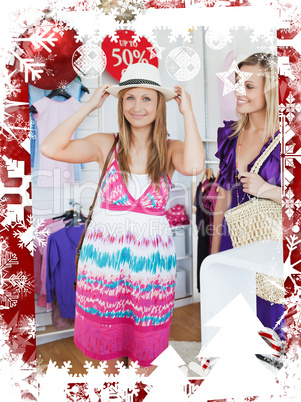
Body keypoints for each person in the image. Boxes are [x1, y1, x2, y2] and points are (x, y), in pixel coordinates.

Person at [40, 62, 205, 375]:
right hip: (104, 264)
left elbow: (195, 166)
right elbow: (50, 147)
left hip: (151, 267)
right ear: (120, 103)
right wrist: (88, 106)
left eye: (147, 98)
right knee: (109, 355)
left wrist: (189, 113)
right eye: (129, 98)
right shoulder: (106, 144)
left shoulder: (171, 150)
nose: (137, 106)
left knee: (147, 351)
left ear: (159, 104)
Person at [210, 53, 284, 340]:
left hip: (269, 242)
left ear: (271, 91)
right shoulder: (231, 136)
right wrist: (215, 251)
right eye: (237, 83)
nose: (239, 92)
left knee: (271, 325)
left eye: (249, 86)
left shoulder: (291, 139)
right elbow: (222, 195)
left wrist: (265, 189)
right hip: (232, 240)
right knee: (236, 323)